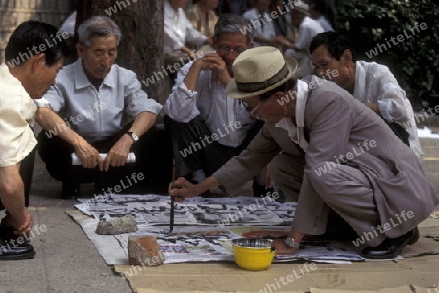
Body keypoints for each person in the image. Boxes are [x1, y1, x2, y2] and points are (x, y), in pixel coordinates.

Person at [169, 46, 439, 259]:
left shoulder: (326, 99)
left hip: (395, 188)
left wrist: (291, 241)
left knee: (323, 174)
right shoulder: (278, 118)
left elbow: (320, 169)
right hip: (359, 177)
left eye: (251, 106)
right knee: (280, 166)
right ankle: (340, 227)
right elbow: (249, 159)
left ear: (275, 97)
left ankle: (395, 232)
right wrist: (197, 188)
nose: (251, 114)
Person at [35, 16, 169, 198]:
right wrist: (79, 143)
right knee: (47, 138)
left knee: (156, 135)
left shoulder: (125, 77)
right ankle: (73, 182)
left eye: (111, 52)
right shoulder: (63, 77)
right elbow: (42, 111)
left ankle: (114, 182)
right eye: (98, 52)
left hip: (115, 152)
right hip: (77, 152)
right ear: (81, 50)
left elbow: (149, 111)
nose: (105, 60)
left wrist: (128, 139)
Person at [164, 14, 272, 197]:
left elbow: (268, 113)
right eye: (224, 48)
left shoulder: (260, 71)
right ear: (214, 44)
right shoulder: (194, 68)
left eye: (238, 49)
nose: (230, 56)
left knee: (270, 120)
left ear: (250, 48)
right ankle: (194, 182)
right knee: (175, 116)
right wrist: (196, 69)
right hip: (209, 151)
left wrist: (229, 83)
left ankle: (264, 186)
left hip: (248, 154)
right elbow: (176, 114)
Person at [0, 20, 68, 260]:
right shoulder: (9, 97)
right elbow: (9, 183)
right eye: (56, 71)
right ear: (37, 62)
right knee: (24, 144)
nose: (54, 81)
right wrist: (21, 217)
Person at [309, 31, 423, 159]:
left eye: (324, 65)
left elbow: (400, 109)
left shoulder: (377, 73)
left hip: (401, 152)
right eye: (317, 67)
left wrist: (357, 108)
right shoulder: (328, 87)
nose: (321, 73)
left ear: (346, 57)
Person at [283, 1, 324, 78]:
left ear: (296, 13)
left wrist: (283, 42)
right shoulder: (311, 22)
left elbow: (298, 48)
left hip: (313, 58)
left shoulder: (305, 25)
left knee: (289, 52)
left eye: (292, 14)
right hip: (316, 55)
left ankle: (289, 76)